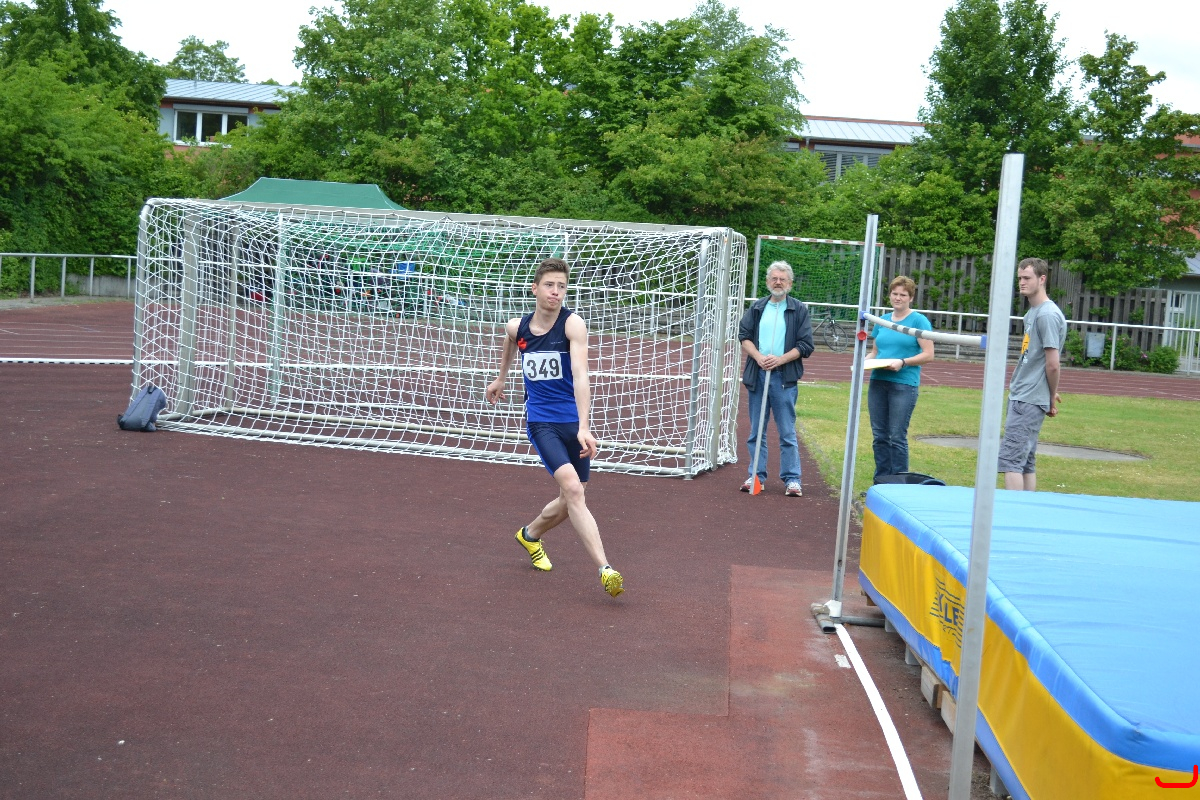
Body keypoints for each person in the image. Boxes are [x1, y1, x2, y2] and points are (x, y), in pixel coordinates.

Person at [485, 257, 624, 597]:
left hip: (572, 423)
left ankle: (529, 535)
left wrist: (584, 426)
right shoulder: (518, 327)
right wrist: (501, 377)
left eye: (562, 286)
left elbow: (581, 375)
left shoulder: (572, 325)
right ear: (535, 288)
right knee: (574, 490)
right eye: (549, 285)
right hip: (541, 421)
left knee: (571, 497)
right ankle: (606, 569)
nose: (556, 292)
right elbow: (510, 340)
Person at [737, 261, 815, 496]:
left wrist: (780, 360)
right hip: (758, 376)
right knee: (756, 431)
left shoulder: (798, 310)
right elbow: (744, 336)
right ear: (767, 281)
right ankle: (756, 476)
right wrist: (759, 357)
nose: (778, 282)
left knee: (787, 432)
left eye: (782, 279)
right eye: (774, 278)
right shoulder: (757, 308)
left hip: (783, 378)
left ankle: (792, 479)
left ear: (790, 283)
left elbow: (805, 345)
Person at [999, 257, 1067, 491]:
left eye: (1027, 278)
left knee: (1011, 462)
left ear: (1042, 279)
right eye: (1020, 278)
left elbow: (1053, 364)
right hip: (1024, 394)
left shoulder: (1047, 315)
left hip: (1028, 398)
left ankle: (1015, 510)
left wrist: (1050, 396)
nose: (1022, 282)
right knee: (1025, 461)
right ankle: (1026, 508)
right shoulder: (1033, 313)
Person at [865, 276, 935, 481]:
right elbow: (875, 351)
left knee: (896, 437)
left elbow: (928, 354)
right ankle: (881, 481)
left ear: (910, 298)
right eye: (894, 294)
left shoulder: (919, 321)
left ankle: (898, 484)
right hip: (878, 381)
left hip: (903, 384)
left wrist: (902, 362)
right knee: (879, 436)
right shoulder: (882, 320)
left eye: (903, 295)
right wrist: (862, 362)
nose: (898, 298)